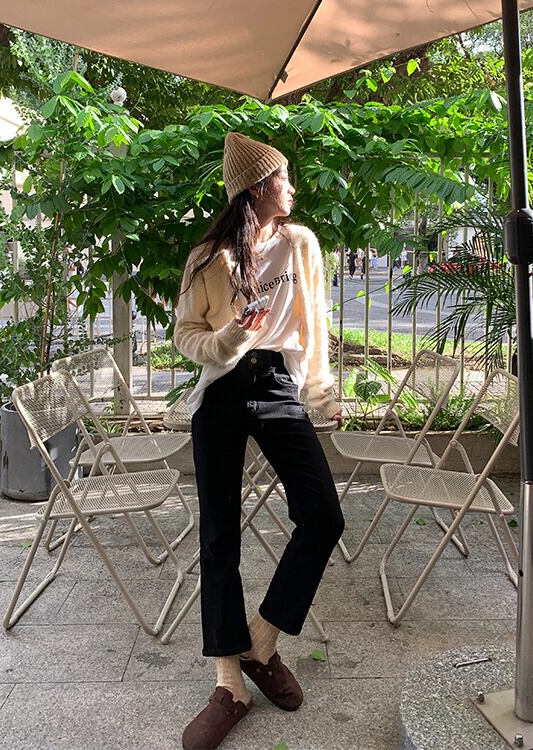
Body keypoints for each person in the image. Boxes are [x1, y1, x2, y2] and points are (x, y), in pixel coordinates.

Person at [173, 131, 345, 750]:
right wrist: (230, 339)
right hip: (222, 386)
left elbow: (316, 323)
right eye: (282, 177)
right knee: (219, 536)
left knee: (323, 516)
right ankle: (230, 685)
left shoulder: (301, 245)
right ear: (257, 186)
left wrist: (320, 392)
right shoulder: (206, 258)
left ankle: (261, 643)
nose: (291, 187)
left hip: (276, 385)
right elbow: (186, 334)